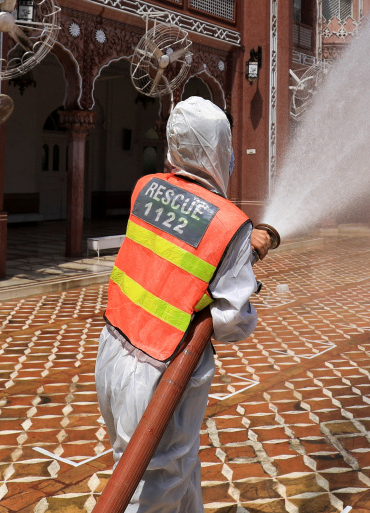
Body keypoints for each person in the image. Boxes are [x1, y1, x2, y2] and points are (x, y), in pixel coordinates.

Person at [95, 96, 277, 512]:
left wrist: (236, 259)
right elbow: (231, 322)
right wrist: (243, 278)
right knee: (156, 484)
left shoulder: (145, 188)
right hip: (165, 369)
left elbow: (178, 253)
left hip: (112, 349)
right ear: (217, 148)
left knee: (169, 467)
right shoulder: (231, 223)